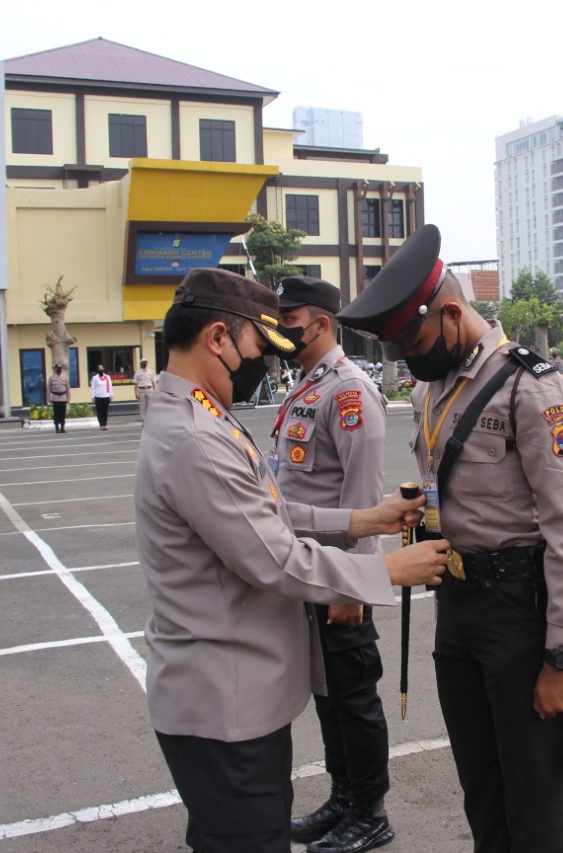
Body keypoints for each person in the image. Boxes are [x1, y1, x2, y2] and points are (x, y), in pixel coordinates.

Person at [136, 267, 448, 853]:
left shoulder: (202, 414)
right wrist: (384, 570)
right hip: (224, 699)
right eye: (259, 344)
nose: (268, 360)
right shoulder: (197, 436)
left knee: (346, 707)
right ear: (219, 339)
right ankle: (350, 800)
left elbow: (267, 507)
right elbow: (274, 557)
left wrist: (361, 521)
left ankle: (361, 804)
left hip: (233, 689)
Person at [336, 224, 563, 853]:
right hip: (457, 612)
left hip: (518, 614)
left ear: (451, 313)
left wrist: (561, 654)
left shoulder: (529, 387)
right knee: (482, 793)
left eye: (413, 341)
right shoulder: (435, 389)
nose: (408, 360)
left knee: (535, 802)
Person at [272, 276, 396, 853]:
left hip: (339, 575)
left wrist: (356, 585)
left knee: (354, 697)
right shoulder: (308, 386)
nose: (282, 328)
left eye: (290, 317)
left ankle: (370, 811)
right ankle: (343, 798)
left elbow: (365, 497)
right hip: (310, 568)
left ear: (321, 322)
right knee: (328, 694)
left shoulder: (349, 391)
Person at [46, 363, 70, 433]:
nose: (59, 370)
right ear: (55, 369)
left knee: (63, 413)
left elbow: (68, 388)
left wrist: (68, 398)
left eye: (60, 368)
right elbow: (48, 389)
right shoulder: (52, 378)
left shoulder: (65, 377)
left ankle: (62, 427)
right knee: (56, 413)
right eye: (57, 368)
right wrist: (49, 398)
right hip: (55, 398)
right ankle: (57, 427)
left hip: (63, 398)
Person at [91, 363, 114, 430]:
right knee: (99, 411)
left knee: (105, 411)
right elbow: (93, 387)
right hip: (98, 396)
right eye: (99, 368)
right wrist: (93, 396)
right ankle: (101, 424)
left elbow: (110, 386)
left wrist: (111, 395)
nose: (101, 369)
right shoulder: (95, 378)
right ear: (97, 370)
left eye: (102, 368)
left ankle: (105, 424)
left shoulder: (107, 377)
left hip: (106, 396)